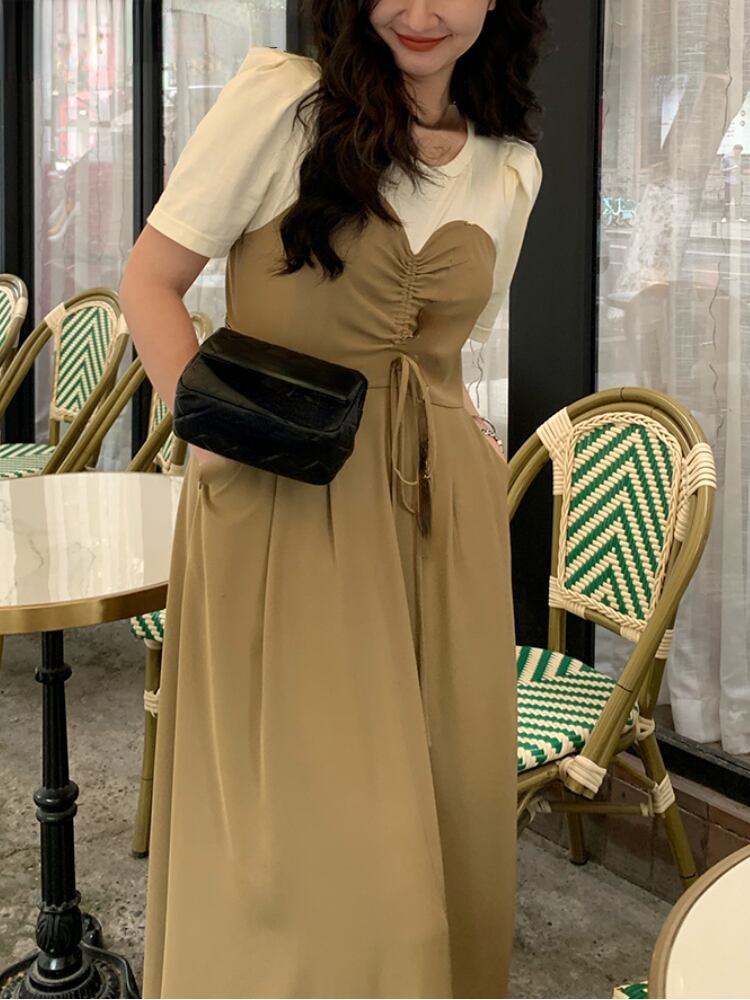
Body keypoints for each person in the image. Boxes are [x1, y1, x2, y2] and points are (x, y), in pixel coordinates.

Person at [119, 1, 545, 996]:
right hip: (283, 507)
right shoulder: (282, 106)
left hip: (445, 525)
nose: (422, 12)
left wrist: (472, 443)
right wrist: (218, 437)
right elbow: (149, 284)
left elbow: (452, 358)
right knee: (313, 849)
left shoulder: (510, 168)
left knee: (444, 808)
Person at [721, 143, 745, 222]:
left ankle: (738, 216)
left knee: (738, 199)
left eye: (739, 153)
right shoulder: (726, 157)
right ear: (734, 150)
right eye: (737, 152)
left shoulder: (740, 157)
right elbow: (722, 170)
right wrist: (732, 168)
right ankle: (724, 217)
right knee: (727, 200)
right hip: (729, 181)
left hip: (738, 181)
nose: (738, 154)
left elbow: (740, 168)